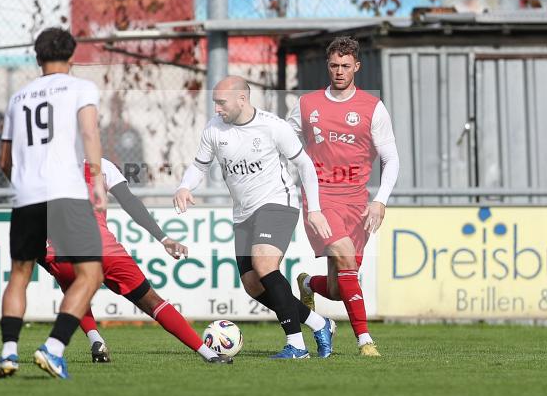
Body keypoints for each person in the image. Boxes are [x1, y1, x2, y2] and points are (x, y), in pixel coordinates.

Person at [173, 76, 335, 359]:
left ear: (242, 99)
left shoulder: (273, 126)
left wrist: (315, 209)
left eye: (221, 102)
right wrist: (185, 186)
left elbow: (305, 165)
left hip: (277, 203)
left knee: (264, 264)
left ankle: (296, 346)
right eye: (215, 103)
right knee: (252, 284)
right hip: (243, 213)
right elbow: (199, 165)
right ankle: (319, 323)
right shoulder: (214, 129)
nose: (217, 109)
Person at [0, 27, 106, 381]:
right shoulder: (81, 88)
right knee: (90, 274)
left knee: (19, 274)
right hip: (66, 192)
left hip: (26, 196)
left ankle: (8, 353)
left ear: (37, 58)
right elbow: (89, 133)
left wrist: (24, 185)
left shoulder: (18, 97)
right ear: (72, 56)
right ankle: (53, 348)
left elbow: (4, 160)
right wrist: (98, 180)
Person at [41, 158, 232, 365]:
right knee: (152, 302)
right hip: (103, 249)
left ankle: (95, 339)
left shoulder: (42, 168)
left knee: (75, 294)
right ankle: (210, 355)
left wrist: (48, 261)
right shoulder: (101, 165)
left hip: (60, 253)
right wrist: (164, 239)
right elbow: (129, 202)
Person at [288, 36, 400, 357]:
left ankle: (308, 284)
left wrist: (380, 200)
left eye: (345, 66)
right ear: (328, 65)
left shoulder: (373, 108)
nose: (339, 71)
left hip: (357, 203)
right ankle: (365, 341)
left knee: (340, 289)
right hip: (320, 200)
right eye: (334, 65)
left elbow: (391, 158)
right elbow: (284, 143)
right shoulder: (307, 105)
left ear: (356, 67)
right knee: (347, 257)